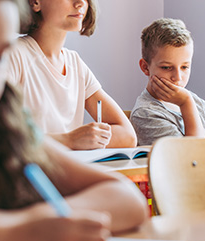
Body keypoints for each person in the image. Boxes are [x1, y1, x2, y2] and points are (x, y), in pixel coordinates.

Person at [0, 0, 148, 241]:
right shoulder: (23, 58)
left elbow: (129, 201)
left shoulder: (1, 125)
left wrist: (36, 225)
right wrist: (15, 236)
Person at [8, 0, 137, 150]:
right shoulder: (13, 55)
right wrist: (68, 140)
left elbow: (127, 135)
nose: (80, 3)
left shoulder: (74, 63)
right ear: (35, 2)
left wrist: (86, 139)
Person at [130, 18, 205, 146]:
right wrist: (185, 103)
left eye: (184, 67)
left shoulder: (194, 100)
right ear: (145, 67)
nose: (178, 77)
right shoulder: (145, 114)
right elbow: (191, 158)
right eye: (166, 68)